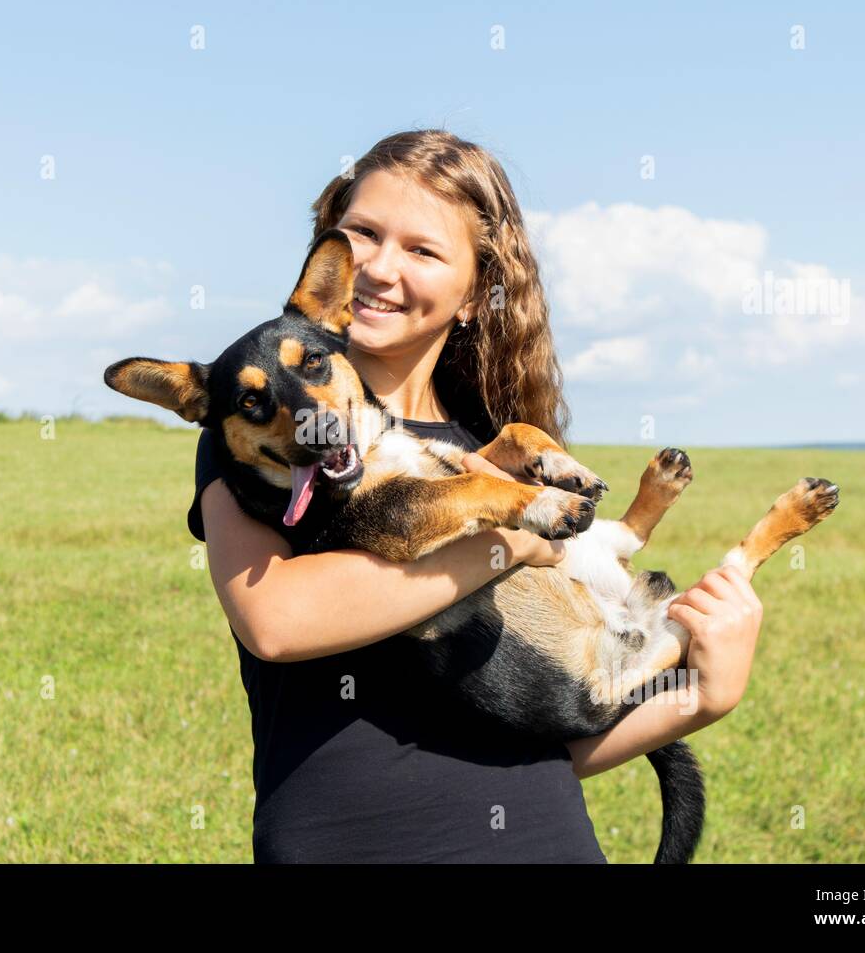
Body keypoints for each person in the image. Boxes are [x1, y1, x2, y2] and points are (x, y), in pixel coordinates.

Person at [187, 129, 763, 863]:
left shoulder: (495, 449)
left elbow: (550, 733)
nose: (377, 267)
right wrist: (512, 536)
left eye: (422, 250)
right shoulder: (264, 431)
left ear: (473, 294)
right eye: (361, 233)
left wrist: (705, 696)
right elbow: (278, 620)